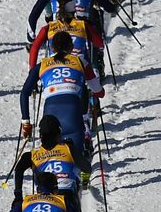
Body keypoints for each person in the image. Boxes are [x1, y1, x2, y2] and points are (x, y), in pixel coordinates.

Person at [19, 30, 104, 163]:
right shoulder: (80, 61)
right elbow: (99, 91)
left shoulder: (42, 65)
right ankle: (80, 178)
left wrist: (26, 123)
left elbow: (24, 93)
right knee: (77, 158)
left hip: (50, 114)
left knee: (51, 159)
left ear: (52, 48)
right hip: (73, 113)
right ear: (71, 47)